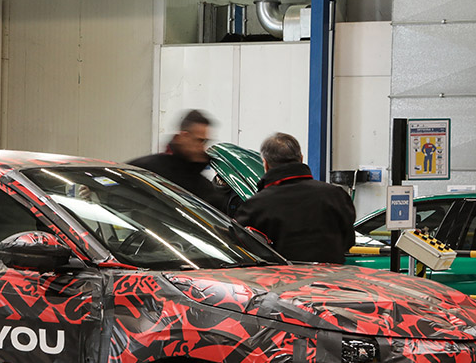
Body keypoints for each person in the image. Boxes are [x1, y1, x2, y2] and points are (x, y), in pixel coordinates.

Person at [232, 132, 356, 265]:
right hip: (332, 280)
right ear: (301, 159)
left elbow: (238, 248)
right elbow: (348, 241)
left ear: (266, 164)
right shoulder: (336, 195)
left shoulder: (255, 205)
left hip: (279, 282)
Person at [128, 109, 226, 214]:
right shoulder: (147, 169)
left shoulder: (206, 189)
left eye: (205, 141)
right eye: (199, 140)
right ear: (183, 137)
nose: (202, 147)